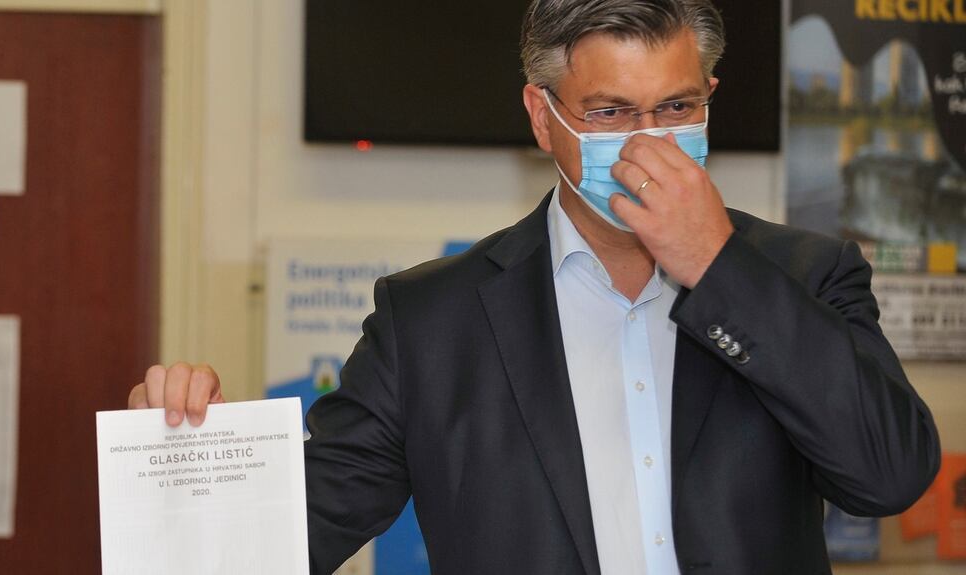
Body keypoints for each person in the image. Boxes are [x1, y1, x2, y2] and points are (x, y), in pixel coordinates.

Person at [128, 1, 941, 573]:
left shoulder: (805, 277)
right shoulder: (431, 324)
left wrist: (718, 266)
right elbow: (281, 542)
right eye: (611, 113)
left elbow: (890, 474)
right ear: (542, 116)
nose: (648, 144)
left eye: (676, 107)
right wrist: (180, 459)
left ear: (709, 100)